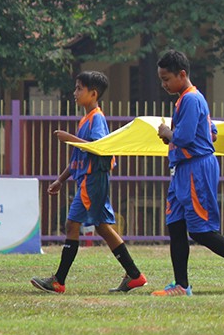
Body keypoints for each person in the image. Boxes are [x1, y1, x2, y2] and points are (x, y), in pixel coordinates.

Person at [152, 50, 224, 296]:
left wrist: (167, 133)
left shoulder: (191, 99)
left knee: (201, 230)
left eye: (167, 79)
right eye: (161, 79)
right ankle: (182, 285)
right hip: (182, 169)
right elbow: (211, 132)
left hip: (196, 169)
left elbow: (185, 137)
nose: (164, 84)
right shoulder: (186, 99)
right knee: (176, 225)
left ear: (182, 74)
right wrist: (173, 138)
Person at [31, 71, 147, 294]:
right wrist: (60, 180)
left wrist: (70, 139)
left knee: (72, 224)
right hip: (89, 180)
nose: (74, 93)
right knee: (102, 228)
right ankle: (134, 275)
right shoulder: (86, 119)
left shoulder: (97, 118)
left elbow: (99, 147)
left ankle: (59, 281)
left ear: (93, 93)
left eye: (79, 89)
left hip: (93, 181)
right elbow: (79, 157)